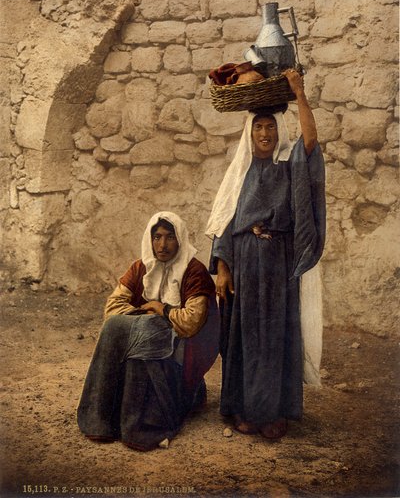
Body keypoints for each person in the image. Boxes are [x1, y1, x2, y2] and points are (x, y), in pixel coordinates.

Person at [206, 69, 325, 440]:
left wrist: (299, 93)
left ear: (277, 131)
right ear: (249, 132)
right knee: (245, 337)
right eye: (258, 128)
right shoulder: (239, 172)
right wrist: (223, 269)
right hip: (245, 263)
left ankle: (273, 411)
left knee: (276, 336)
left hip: (278, 264)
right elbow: (224, 218)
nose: (264, 134)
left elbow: (311, 140)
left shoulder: (289, 165)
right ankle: (244, 409)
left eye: (270, 127)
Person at [77, 211, 219, 451]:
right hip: (150, 332)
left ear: (180, 239)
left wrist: (161, 310)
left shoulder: (194, 270)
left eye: (169, 237)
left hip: (185, 344)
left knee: (144, 331)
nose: (162, 245)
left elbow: (192, 321)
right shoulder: (141, 266)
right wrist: (149, 315)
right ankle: (100, 419)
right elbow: (112, 307)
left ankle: (141, 426)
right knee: (116, 326)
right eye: (157, 237)